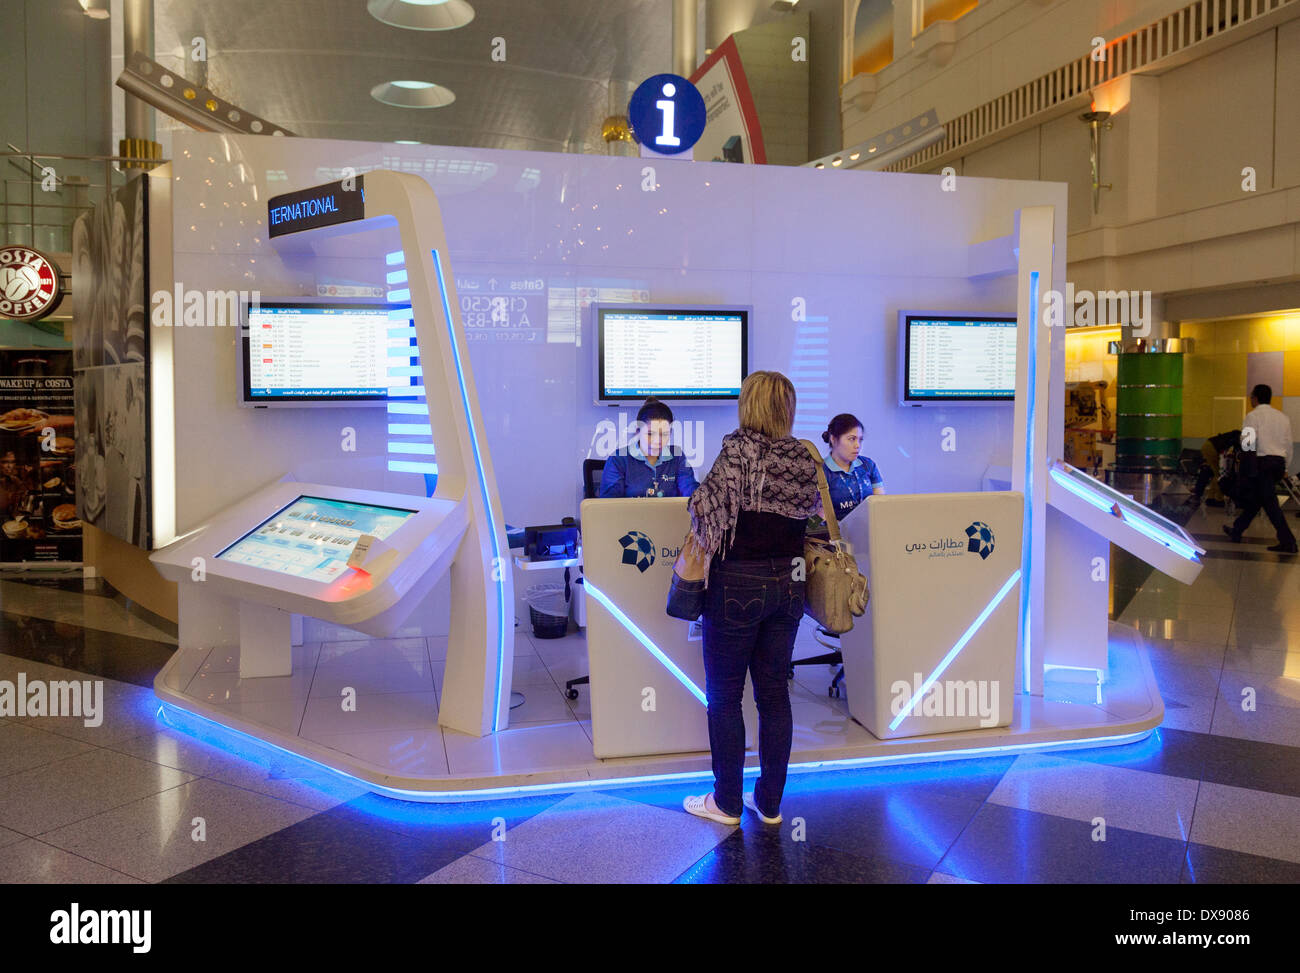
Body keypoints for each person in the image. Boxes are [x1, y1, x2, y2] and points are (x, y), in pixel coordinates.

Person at [682, 371, 823, 827]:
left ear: (750, 405)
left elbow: (703, 508)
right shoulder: (805, 457)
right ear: (787, 409)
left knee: (724, 697)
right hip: (789, 587)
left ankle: (726, 803)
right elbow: (815, 515)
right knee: (774, 696)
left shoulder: (739, 451)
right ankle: (771, 804)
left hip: (736, 587)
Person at [1223, 384, 1296, 553]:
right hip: (1278, 463)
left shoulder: (1253, 416)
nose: (1250, 399)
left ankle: (1288, 541)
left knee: (1270, 503)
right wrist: (1286, 466)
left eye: (1251, 396)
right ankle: (1237, 530)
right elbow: (1288, 445)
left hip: (1261, 464)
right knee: (1258, 499)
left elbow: (1248, 443)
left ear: (1255, 398)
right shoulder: (1282, 417)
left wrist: (1245, 469)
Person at [598, 397, 699, 498]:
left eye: (664, 434)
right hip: (630, 514)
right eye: (650, 434)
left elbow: (691, 492)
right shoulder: (618, 459)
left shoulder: (677, 456)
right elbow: (608, 505)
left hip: (669, 514)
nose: (657, 441)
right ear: (638, 431)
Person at [818, 412, 884, 523]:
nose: (857, 445)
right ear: (833, 439)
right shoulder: (821, 471)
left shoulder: (868, 465)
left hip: (870, 531)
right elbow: (819, 517)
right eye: (852, 439)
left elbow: (881, 505)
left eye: (860, 439)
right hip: (836, 536)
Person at [1189, 427, 1239, 507]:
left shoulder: (1234, 435)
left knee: (1214, 473)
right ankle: (1218, 499)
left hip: (1208, 446)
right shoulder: (1238, 437)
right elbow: (1235, 450)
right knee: (1219, 475)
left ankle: (1211, 498)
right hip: (1211, 449)